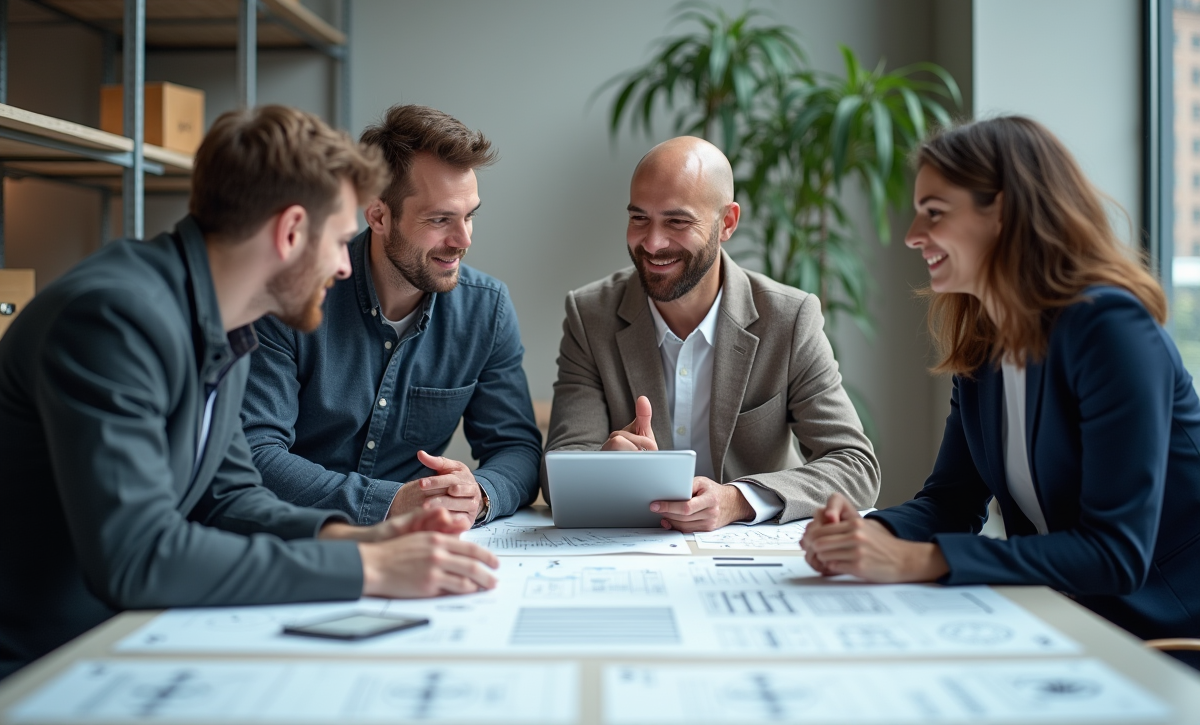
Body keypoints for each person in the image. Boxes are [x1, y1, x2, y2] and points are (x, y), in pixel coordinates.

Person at [0, 106, 500, 680]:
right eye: (338, 242)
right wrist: (367, 569)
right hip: (44, 664)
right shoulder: (113, 318)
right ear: (290, 232)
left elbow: (230, 498)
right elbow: (137, 558)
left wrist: (369, 538)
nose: (344, 267)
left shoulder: (228, 317)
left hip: (130, 637)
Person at [801, 116, 1200, 667]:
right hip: (1067, 622)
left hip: (1163, 638)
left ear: (1005, 212)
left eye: (934, 213)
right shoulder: (985, 341)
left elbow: (1116, 554)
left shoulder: (1110, 327)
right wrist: (866, 534)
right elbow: (950, 502)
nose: (913, 234)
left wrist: (922, 561)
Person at [544, 135, 880, 532]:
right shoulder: (590, 314)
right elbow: (557, 474)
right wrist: (603, 467)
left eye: (677, 221)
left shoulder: (789, 319)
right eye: (639, 218)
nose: (652, 243)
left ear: (728, 223)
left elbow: (855, 466)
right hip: (637, 550)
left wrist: (737, 500)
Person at [241, 105, 541, 527]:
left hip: (419, 545)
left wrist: (479, 494)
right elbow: (255, 453)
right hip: (301, 539)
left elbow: (517, 449)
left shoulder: (485, 308)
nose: (463, 240)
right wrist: (388, 503)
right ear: (379, 215)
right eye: (440, 220)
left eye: (469, 215)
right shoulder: (291, 295)